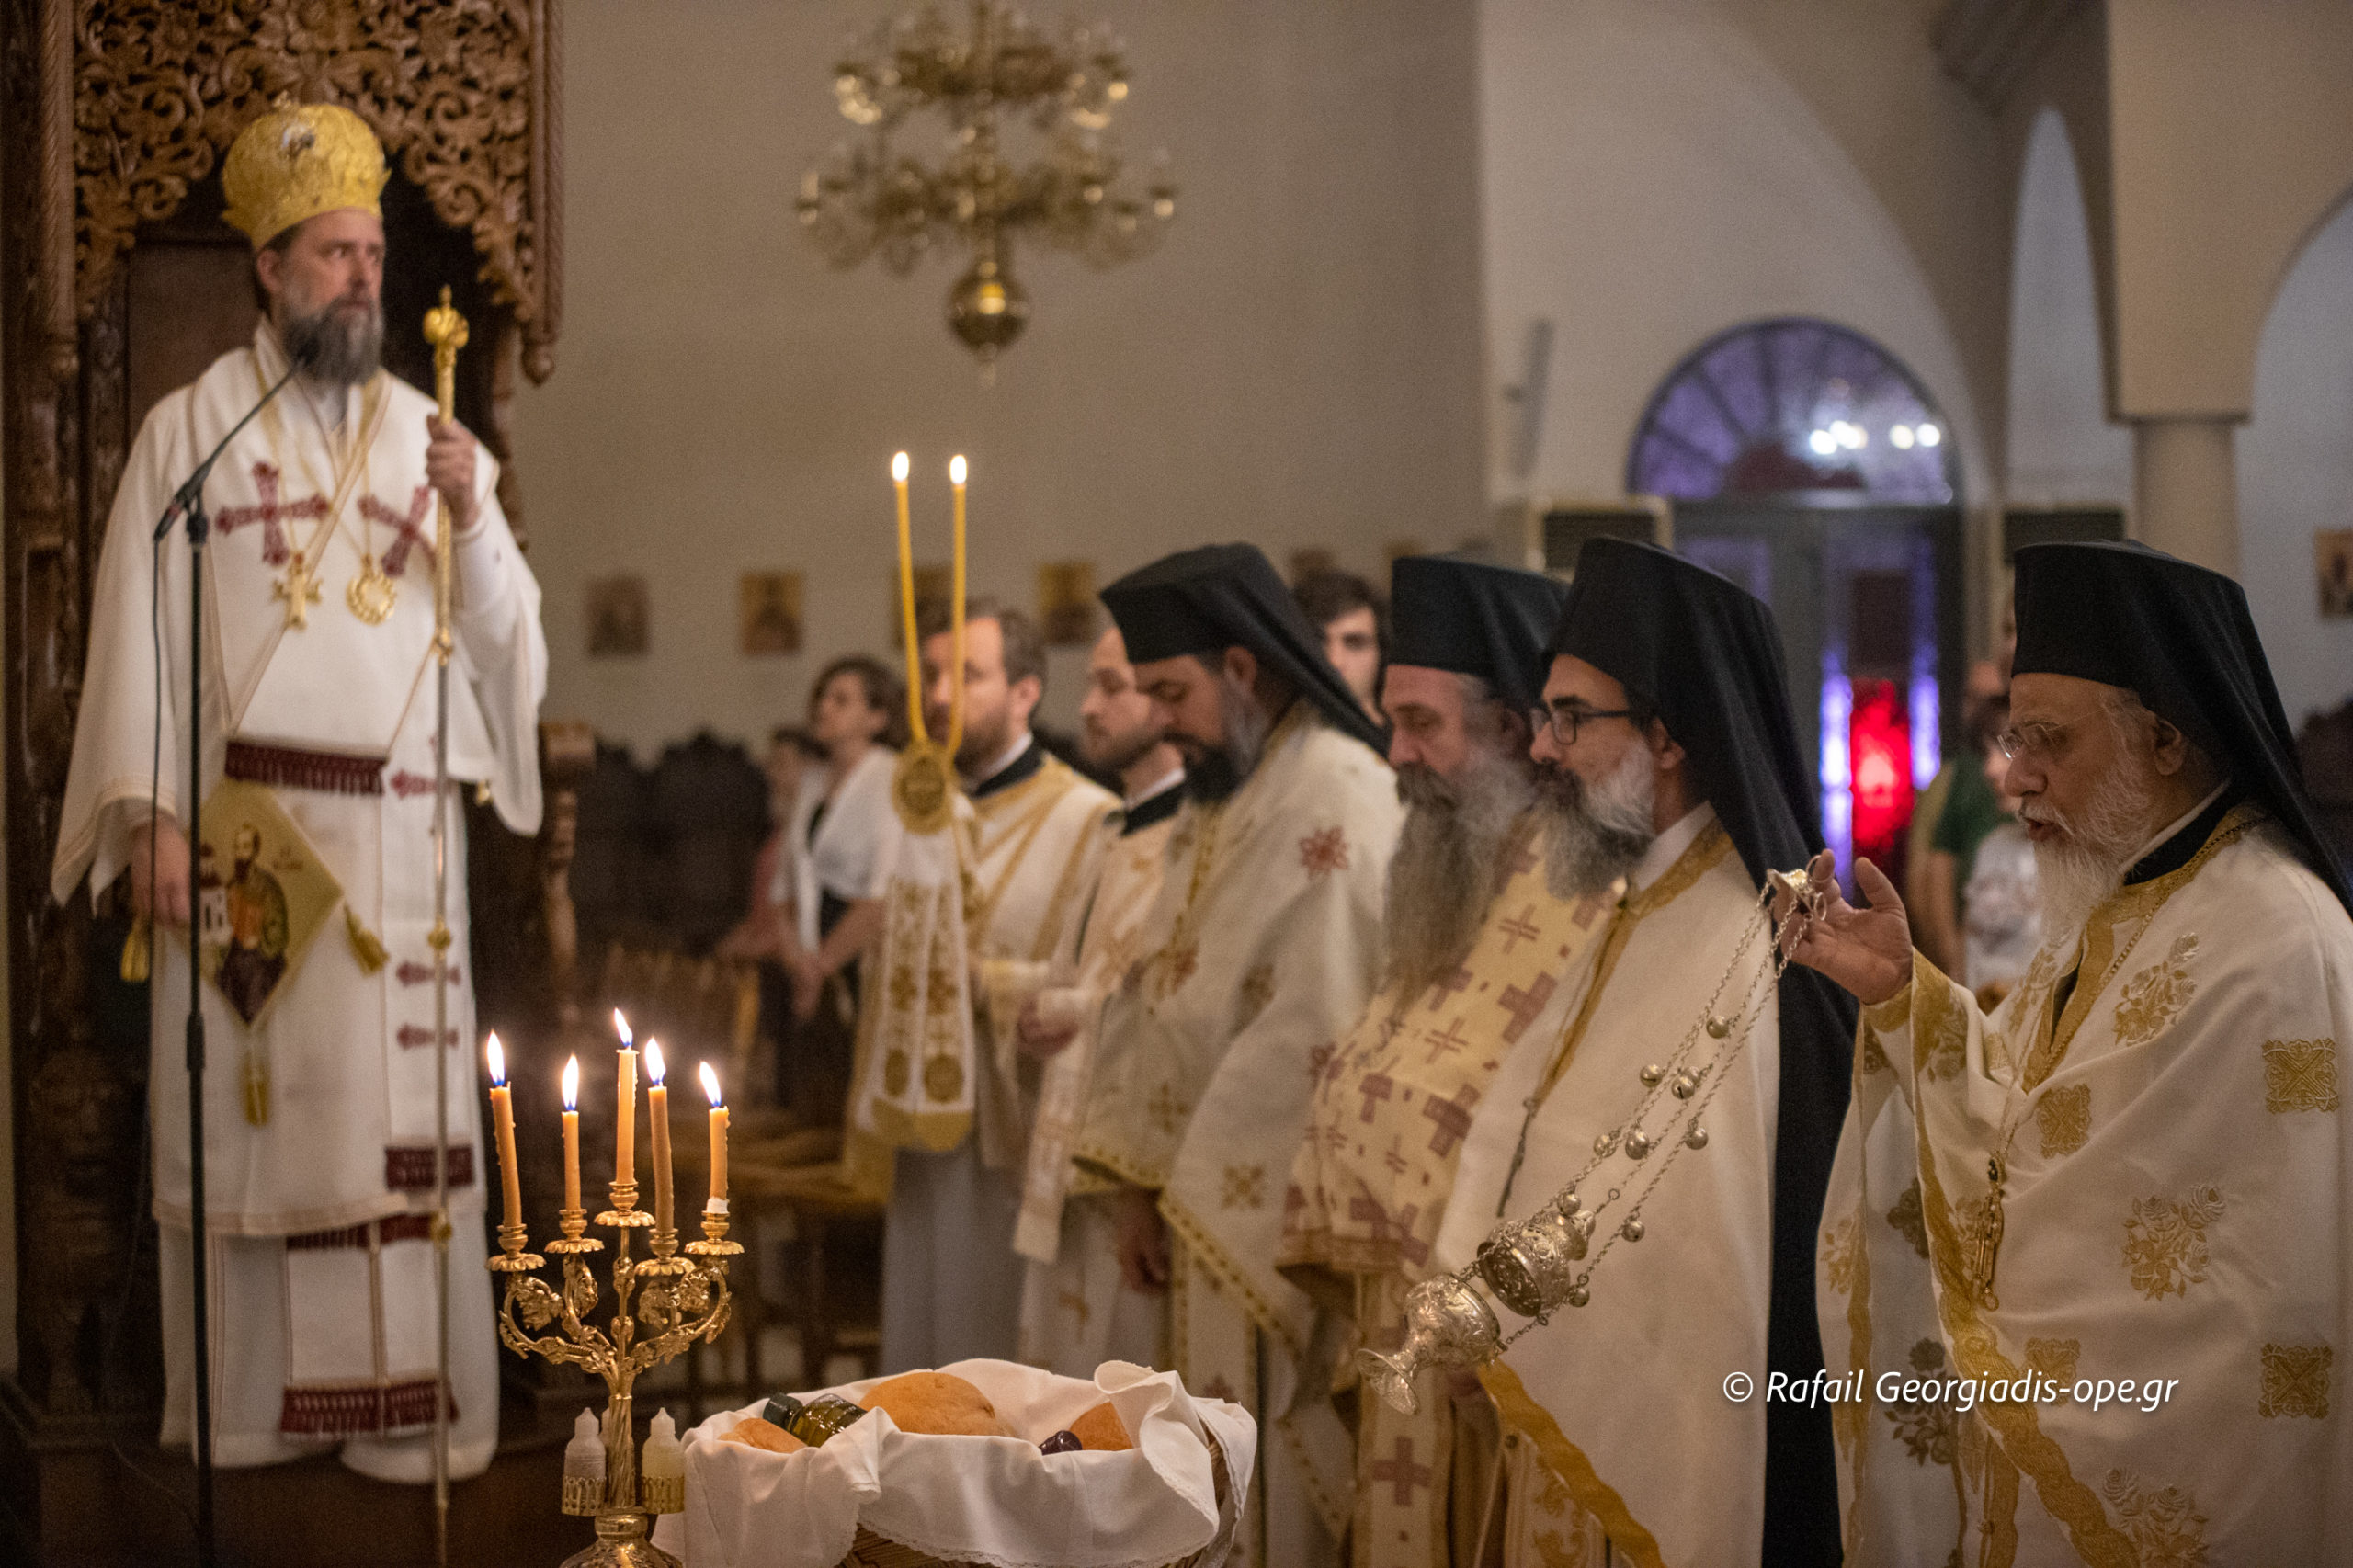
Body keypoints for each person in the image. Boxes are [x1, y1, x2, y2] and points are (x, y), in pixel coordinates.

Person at [50, 98, 544, 1481]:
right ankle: (257, 1431)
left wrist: (474, 515)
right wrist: (150, 812)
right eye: (334, 254)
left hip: (402, 849)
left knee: (394, 1144)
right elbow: (134, 634)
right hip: (252, 848)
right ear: (269, 269)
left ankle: (409, 1431)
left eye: (372, 255)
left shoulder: (434, 434)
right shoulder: (191, 433)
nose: (361, 279)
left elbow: (511, 651)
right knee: (267, 1128)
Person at [1790, 540, 2353, 1565]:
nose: (2015, 777)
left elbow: (2245, 1295)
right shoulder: (2117, 897)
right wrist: (1906, 996)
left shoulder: (2273, 942)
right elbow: (2026, 1117)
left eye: (2047, 741)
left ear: (2166, 738)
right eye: (2014, 739)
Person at [1430, 540, 1854, 1567]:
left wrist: (1504, 1324)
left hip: (1645, 1439)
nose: (1544, 747)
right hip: (1554, 1397)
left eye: (1573, 717)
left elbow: (1699, 1254)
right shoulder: (1642, 899)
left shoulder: (1749, 937)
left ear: (1666, 735)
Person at [1075, 542, 1404, 1568]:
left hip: (1269, 1210)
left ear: (1243, 667)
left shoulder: (1340, 790)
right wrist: (1135, 1181)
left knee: (1274, 1491)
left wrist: (1188, 1181)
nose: (1160, 718)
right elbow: (1156, 982)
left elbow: (1322, 1021)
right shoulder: (1223, 790)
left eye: (1172, 692)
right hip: (1190, 1199)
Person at [1280, 555, 1605, 1568]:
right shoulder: (1452, 862)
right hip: (1402, 1311)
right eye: (1392, 721)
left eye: (1421, 724)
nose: (1396, 754)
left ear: (1510, 727)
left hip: (1496, 1331)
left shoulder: (1588, 885)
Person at [873, 599, 1118, 1372]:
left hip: (1015, 1134)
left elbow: (1102, 983)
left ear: (1025, 692)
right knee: (921, 1342)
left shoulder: (1090, 818)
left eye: (967, 675)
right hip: (926, 1125)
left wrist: (981, 984)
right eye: (931, 674)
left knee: (997, 1358)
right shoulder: (922, 812)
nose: (940, 695)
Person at [1013, 623, 1187, 1376]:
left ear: (1169, 700)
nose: (1087, 707)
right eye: (1090, 684)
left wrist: (1068, 1008)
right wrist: (1035, 1011)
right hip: (1068, 1153)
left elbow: (1173, 997)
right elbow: (1075, 966)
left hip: (1131, 1165)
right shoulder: (1113, 828)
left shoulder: (1192, 838)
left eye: (1112, 687)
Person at [722, 664, 901, 1126]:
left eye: (841, 699)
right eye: (823, 696)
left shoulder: (891, 778)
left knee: (854, 1087)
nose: (824, 707)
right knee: (805, 1092)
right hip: (804, 949)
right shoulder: (813, 781)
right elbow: (785, 883)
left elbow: (881, 895)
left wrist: (821, 966)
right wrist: (798, 959)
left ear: (877, 717)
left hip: (858, 953)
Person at [1958, 693, 2040, 1004]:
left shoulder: (2072, 857)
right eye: (1986, 753)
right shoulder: (1992, 847)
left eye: (2004, 750)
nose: (1990, 769)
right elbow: (1968, 946)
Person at [1294, 567, 1389, 725]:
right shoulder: (1278, 737)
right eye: (1318, 642)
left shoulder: (1410, 738)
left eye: (1355, 643)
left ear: (1382, 654)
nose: (1334, 661)